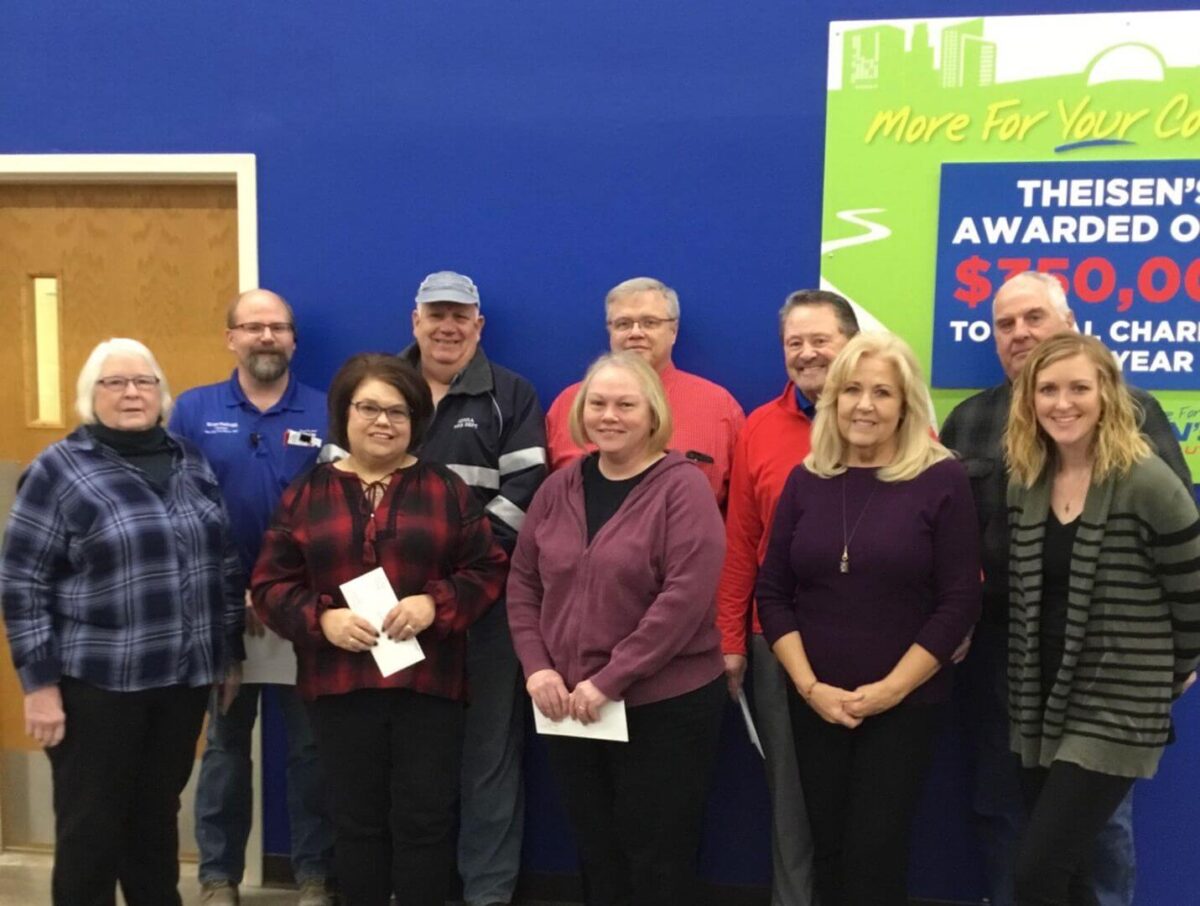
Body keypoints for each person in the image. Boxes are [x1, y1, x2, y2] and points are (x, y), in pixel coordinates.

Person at [939, 271, 1192, 906]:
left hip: (1107, 667)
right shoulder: (971, 423)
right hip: (1007, 657)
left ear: (1071, 324)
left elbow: (1183, 556)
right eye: (1005, 324)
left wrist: (1176, 664)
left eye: (1034, 317)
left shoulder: (1137, 428)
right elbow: (944, 540)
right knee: (1003, 811)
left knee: (1094, 834)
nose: (1019, 333)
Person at [251, 353, 507, 906]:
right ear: (344, 414)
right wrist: (321, 617)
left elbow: (488, 569)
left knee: (426, 821)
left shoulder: (446, 489)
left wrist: (434, 604)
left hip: (429, 686)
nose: (382, 422)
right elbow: (270, 584)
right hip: (338, 686)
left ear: (416, 420)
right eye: (368, 408)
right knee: (355, 822)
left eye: (397, 411)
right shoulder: (306, 494)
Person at [0, 338, 244, 906]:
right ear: (91, 396)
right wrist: (38, 687)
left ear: (161, 395)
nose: (132, 393)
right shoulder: (57, 470)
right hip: (96, 687)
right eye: (115, 383)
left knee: (156, 823)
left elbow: (223, 560)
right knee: (91, 833)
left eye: (144, 382)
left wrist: (228, 652)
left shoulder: (190, 459)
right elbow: (22, 583)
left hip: (181, 683)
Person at [755, 332, 981, 906]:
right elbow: (774, 592)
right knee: (827, 851)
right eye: (852, 390)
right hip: (816, 701)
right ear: (832, 399)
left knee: (876, 856)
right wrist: (809, 688)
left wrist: (888, 692)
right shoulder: (807, 479)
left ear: (906, 404)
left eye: (882, 392)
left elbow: (959, 601)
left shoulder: (942, 478)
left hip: (905, 705)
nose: (864, 405)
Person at [507, 352, 727, 906]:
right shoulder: (558, 488)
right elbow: (524, 584)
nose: (610, 415)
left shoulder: (685, 488)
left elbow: (683, 600)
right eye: (598, 403)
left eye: (626, 404)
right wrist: (537, 669)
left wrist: (610, 680)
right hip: (569, 705)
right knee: (596, 848)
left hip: (662, 705)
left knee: (657, 857)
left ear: (653, 413)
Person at [1003, 332, 1200, 906]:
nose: (1062, 403)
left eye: (1078, 388)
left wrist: (1174, 671)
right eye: (1048, 390)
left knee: (1036, 874)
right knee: (1072, 872)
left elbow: (1192, 592)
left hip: (1117, 704)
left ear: (1108, 394)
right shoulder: (1027, 480)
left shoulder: (1147, 481)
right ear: (1029, 400)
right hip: (1039, 701)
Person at [172, 288, 334, 906]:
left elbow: (337, 512)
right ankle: (217, 879)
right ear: (231, 337)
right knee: (223, 750)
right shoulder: (192, 411)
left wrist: (285, 594)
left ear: (293, 339)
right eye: (253, 327)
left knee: (312, 751)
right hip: (220, 610)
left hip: (303, 611)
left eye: (278, 328)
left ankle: (314, 876)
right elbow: (179, 509)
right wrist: (230, 590)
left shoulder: (326, 412)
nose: (266, 337)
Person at [398, 270, 547, 906]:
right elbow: (342, 487)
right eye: (436, 314)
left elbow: (526, 497)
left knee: (489, 758)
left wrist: (449, 576)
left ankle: (487, 894)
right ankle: (413, 887)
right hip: (395, 614)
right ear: (416, 321)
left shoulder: (509, 395)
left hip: (485, 609)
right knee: (405, 754)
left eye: (461, 315)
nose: (448, 326)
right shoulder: (380, 387)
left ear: (478, 325)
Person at [716, 289, 859, 906]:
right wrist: (729, 641)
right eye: (793, 343)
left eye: (819, 339)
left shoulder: (903, 416)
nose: (806, 353)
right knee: (791, 798)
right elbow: (742, 539)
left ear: (851, 341)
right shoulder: (760, 426)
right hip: (777, 637)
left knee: (874, 794)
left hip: (881, 638)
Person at [544, 276, 744, 506]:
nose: (636, 333)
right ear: (610, 330)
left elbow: (741, 516)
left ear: (674, 330)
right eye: (623, 324)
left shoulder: (718, 406)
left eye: (649, 323)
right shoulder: (570, 404)